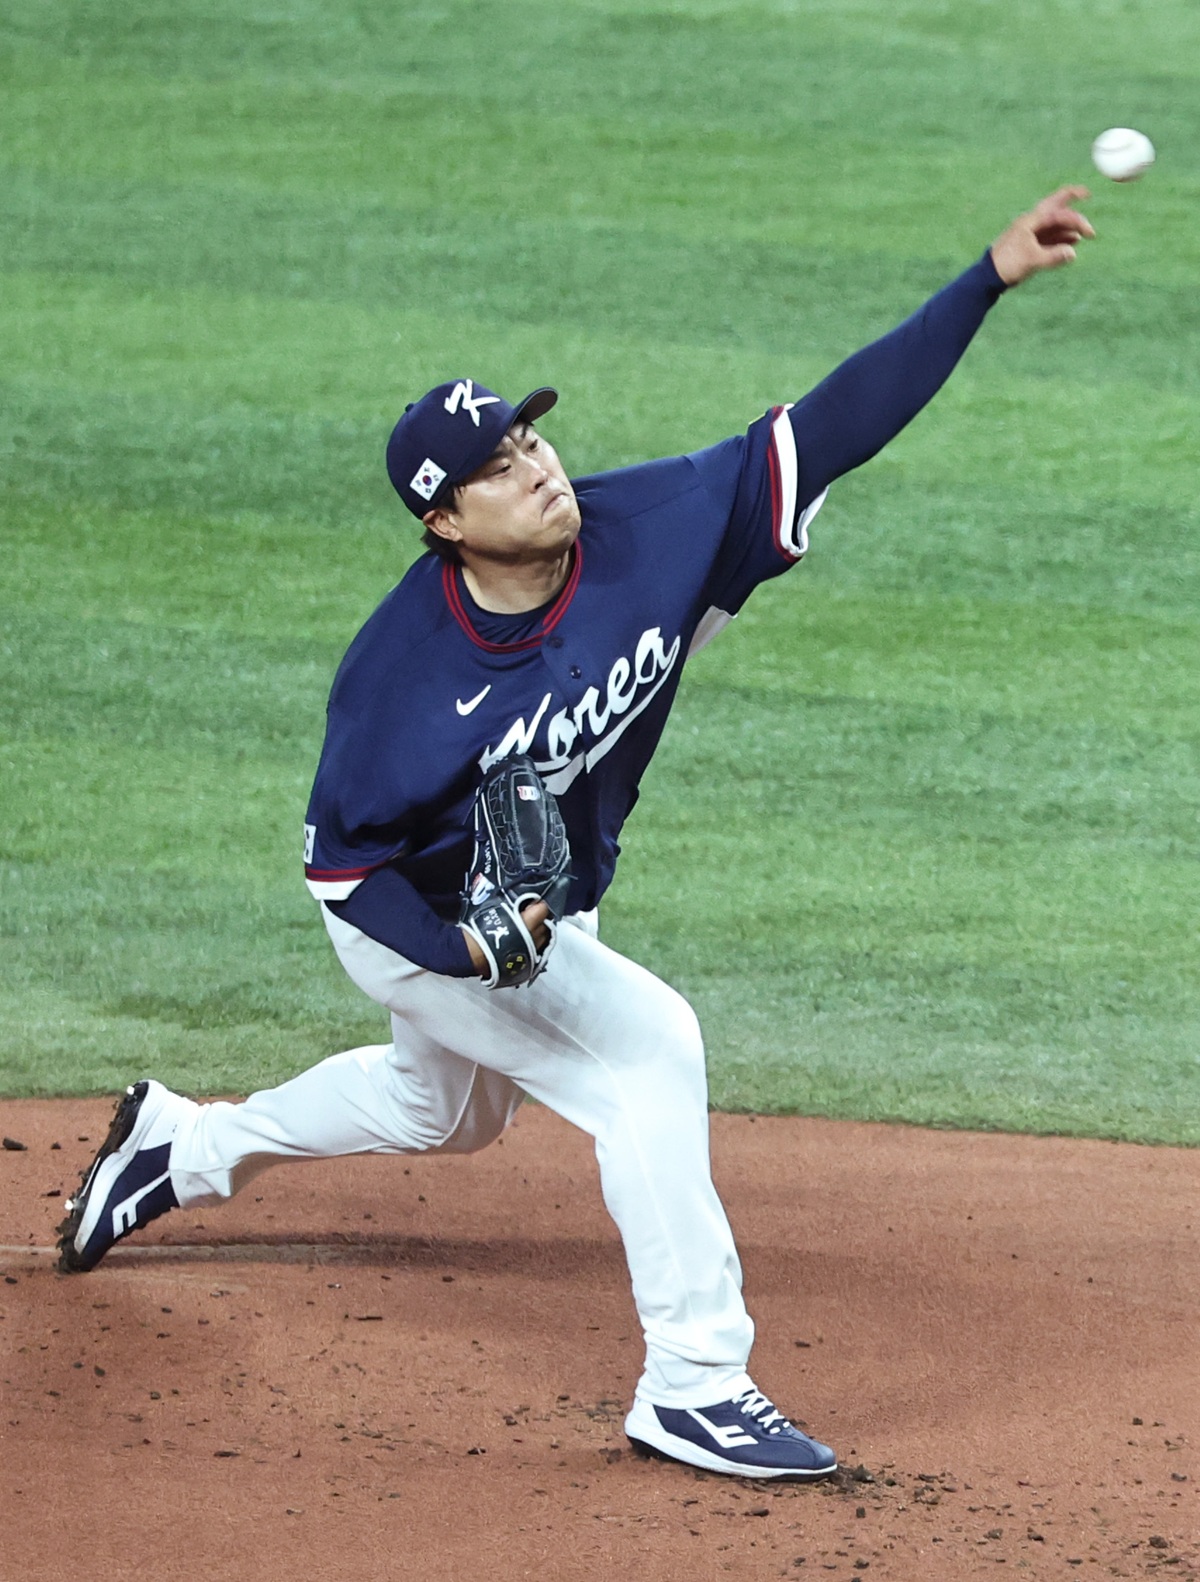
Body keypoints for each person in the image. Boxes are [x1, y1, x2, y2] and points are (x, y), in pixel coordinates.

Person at [58, 189, 1094, 1480]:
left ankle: (180, 1144)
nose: (535, 466)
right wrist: (455, 948)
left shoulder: (650, 528)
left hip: (532, 894)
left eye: (529, 440)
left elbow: (829, 429)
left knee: (441, 1112)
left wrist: (986, 276)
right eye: (495, 466)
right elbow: (340, 868)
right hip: (414, 917)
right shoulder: (399, 679)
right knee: (650, 1051)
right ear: (445, 523)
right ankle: (697, 1379)